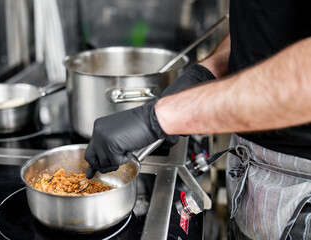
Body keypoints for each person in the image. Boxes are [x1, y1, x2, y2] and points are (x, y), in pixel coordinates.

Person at [84, 1, 311, 239]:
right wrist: (206, 72)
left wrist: (162, 117)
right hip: (251, 177)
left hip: (299, 206)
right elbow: (266, 26)